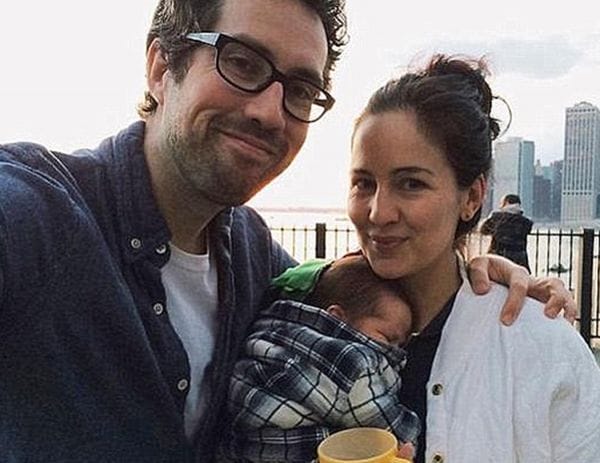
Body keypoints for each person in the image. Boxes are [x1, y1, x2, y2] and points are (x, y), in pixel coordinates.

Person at [0, 1, 575, 461]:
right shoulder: (40, 217)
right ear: (160, 66)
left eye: (299, 89)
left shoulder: (253, 257)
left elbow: (346, 284)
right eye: (242, 63)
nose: (269, 112)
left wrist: (483, 267)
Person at [347, 54, 600, 462]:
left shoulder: (543, 348)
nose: (379, 212)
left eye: (411, 184)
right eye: (363, 183)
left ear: (473, 197)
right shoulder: (310, 310)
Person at [223, 253, 418, 462]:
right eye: (388, 337)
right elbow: (393, 433)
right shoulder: (355, 365)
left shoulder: (269, 325)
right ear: (337, 318)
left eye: (400, 345)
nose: (396, 352)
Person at [479, 193, 534, 271]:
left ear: (506, 202)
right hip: (519, 261)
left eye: (501, 203)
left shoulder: (496, 217)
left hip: (497, 257)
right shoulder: (526, 222)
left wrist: (490, 217)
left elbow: (483, 230)